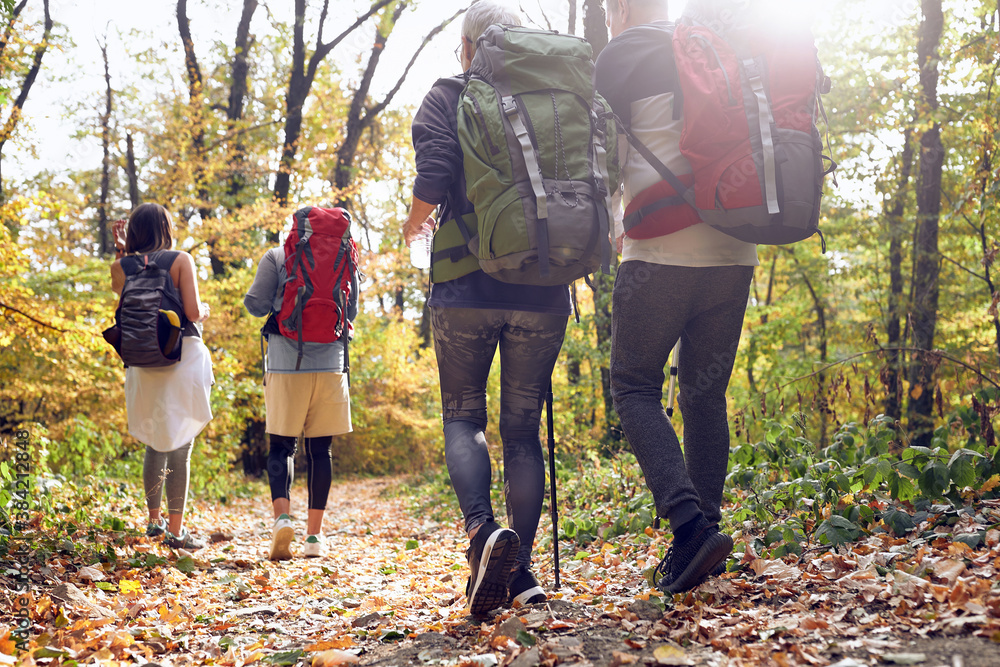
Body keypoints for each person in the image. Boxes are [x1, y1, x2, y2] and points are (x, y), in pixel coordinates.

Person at [403, 1, 571, 616]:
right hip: (545, 287)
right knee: (522, 431)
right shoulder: (557, 100)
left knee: (463, 416)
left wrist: (412, 226)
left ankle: (482, 534)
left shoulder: (449, 94)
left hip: (465, 284)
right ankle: (521, 572)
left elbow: (435, 172)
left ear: (470, 48)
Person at [595, 0, 758, 593]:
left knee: (634, 384)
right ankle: (704, 537)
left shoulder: (622, 54)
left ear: (621, 8)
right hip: (736, 246)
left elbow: (601, 161)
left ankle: (689, 526)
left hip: (659, 246)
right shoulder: (717, 44)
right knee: (704, 395)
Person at [243, 224, 356, 560]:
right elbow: (351, 312)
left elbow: (255, 305)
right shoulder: (344, 256)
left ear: (295, 229)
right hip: (331, 365)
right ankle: (314, 537)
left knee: (281, 446)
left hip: (285, 364)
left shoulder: (277, 256)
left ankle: (282, 519)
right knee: (321, 451)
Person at [110, 203, 213, 551]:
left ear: (134, 232)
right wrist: (205, 311)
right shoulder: (180, 259)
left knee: (154, 442)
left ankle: (154, 524)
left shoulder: (120, 266)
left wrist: (122, 251)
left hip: (141, 362)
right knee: (180, 443)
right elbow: (192, 313)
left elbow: (123, 295)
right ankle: (176, 532)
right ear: (166, 229)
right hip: (180, 356)